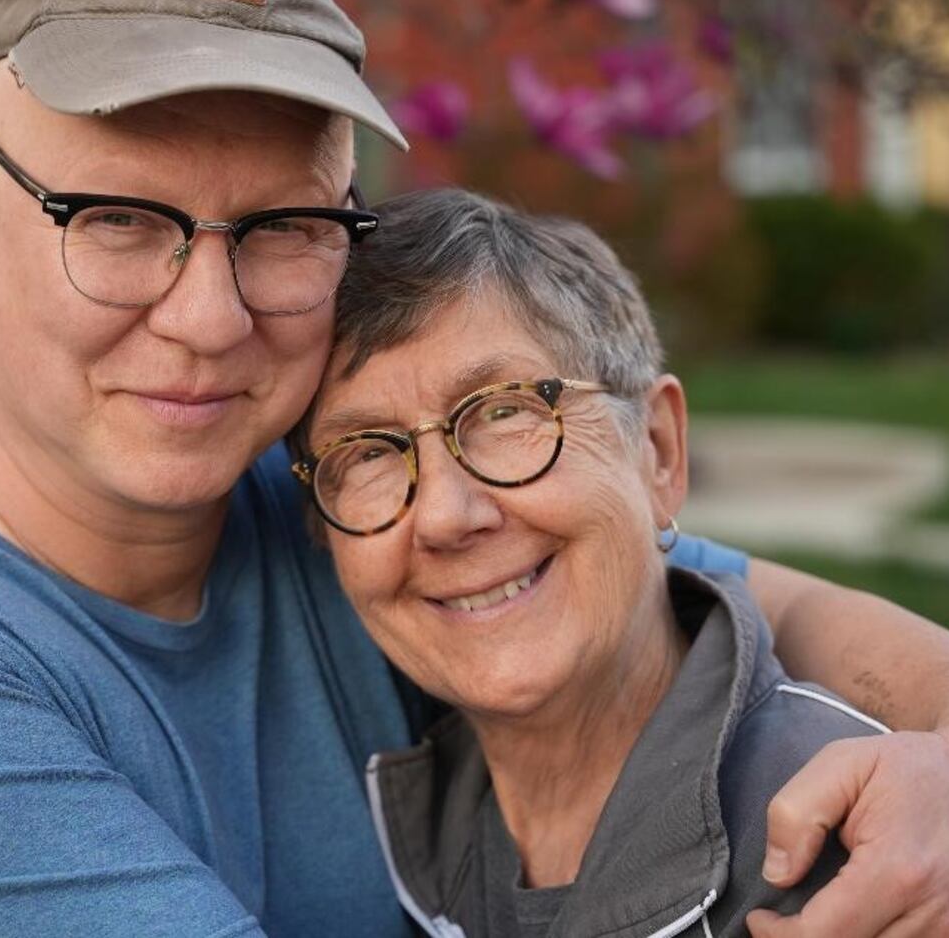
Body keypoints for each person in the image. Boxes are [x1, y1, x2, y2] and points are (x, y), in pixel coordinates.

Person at [0, 0, 949, 937]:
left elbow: (718, 593)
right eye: (117, 220)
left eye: (286, 225)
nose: (208, 316)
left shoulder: (338, 522)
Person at [291, 187, 884, 937]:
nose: (444, 516)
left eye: (505, 410)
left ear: (659, 451)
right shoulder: (414, 842)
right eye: (367, 452)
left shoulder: (859, 863)